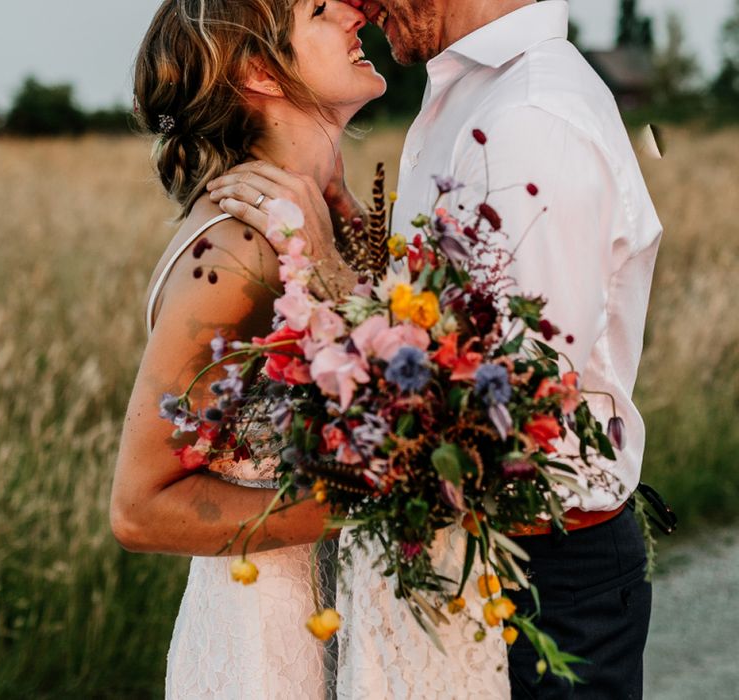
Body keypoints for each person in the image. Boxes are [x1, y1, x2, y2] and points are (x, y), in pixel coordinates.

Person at [207, 0, 662, 698]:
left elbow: (498, 417)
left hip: (539, 579)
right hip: (473, 566)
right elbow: (449, 331)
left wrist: (328, 272)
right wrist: (353, 234)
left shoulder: (530, 119)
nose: (356, 4)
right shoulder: (471, 95)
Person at [109, 1, 386, 698]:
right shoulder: (237, 252)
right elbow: (139, 508)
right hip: (279, 655)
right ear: (259, 71)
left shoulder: (330, 222)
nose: (357, 13)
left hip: (362, 631)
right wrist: (390, 498)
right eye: (322, 10)